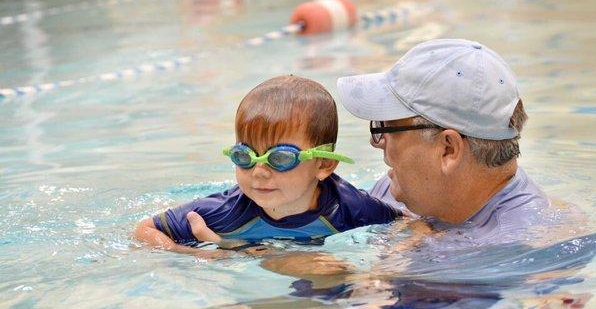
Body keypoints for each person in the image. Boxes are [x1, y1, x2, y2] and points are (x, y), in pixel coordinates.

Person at [134, 75, 401, 254]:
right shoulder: (226, 212)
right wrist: (200, 257)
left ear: (323, 165)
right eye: (244, 157)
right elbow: (144, 230)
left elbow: (408, 227)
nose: (259, 172)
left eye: (280, 158)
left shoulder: (350, 208)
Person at [336, 38, 551, 245]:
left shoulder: (517, 246)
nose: (378, 142)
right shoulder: (403, 189)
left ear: (448, 149)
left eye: (388, 127)